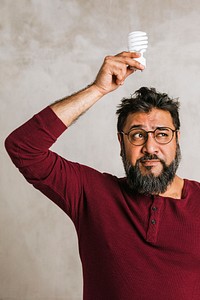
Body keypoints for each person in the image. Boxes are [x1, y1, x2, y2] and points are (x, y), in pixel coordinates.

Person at [5, 51, 200, 300]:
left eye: (162, 134)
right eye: (138, 135)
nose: (150, 148)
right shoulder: (91, 193)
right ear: (121, 142)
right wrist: (97, 89)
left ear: (177, 139)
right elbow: (23, 147)